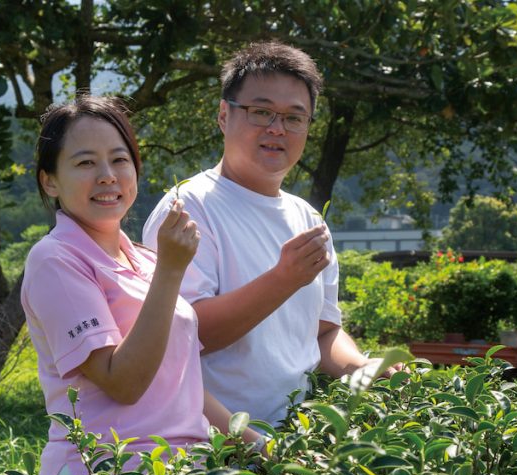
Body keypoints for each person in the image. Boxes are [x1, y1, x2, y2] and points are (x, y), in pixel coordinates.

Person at [21, 95, 259, 475]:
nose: (107, 176)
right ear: (49, 182)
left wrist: (260, 445)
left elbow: (184, 385)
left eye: (119, 159)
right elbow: (123, 382)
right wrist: (171, 270)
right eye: (84, 163)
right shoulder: (55, 259)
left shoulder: (145, 260)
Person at [143, 41, 387, 426]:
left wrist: (362, 367)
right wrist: (282, 279)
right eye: (261, 112)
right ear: (224, 115)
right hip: (209, 448)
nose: (277, 128)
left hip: (295, 442)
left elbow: (323, 335)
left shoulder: (309, 220)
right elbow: (178, 338)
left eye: (294, 117)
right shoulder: (187, 210)